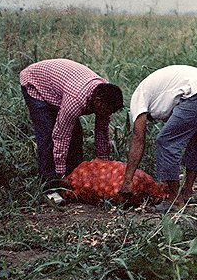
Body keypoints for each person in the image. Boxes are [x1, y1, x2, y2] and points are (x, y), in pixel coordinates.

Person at [118, 65, 197, 209]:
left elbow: (138, 138)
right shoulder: (160, 95)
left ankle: (174, 199)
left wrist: (128, 180)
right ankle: (186, 192)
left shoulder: (138, 99)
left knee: (166, 141)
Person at [19, 59, 124, 187]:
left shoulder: (106, 95)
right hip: (36, 82)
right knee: (48, 136)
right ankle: (50, 185)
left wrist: (105, 167)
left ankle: (74, 177)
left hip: (61, 85)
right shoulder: (75, 101)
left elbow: (102, 134)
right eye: (107, 111)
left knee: (76, 135)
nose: (108, 114)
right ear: (97, 101)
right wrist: (61, 174)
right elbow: (61, 136)